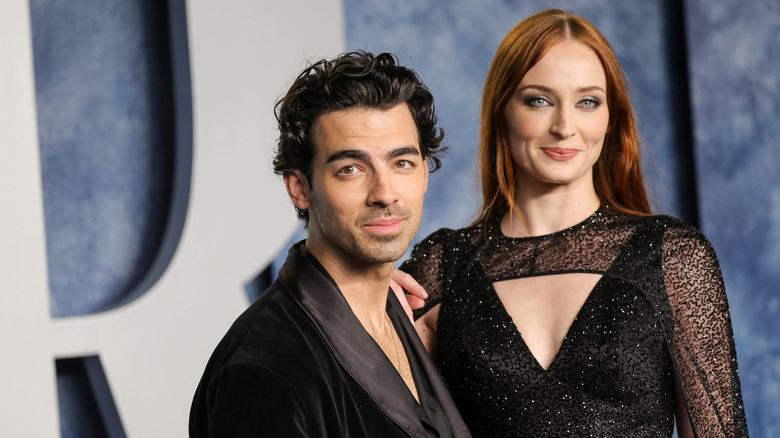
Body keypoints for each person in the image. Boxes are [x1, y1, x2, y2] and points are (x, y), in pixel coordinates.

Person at [396, 9, 748, 438]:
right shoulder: (444, 266)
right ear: (503, 110)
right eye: (539, 100)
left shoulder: (672, 256)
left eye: (587, 101)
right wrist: (372, 303)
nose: (565, 126)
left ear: (610, 117)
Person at [189, 51, 470, 437]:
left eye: (401, 162)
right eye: (350, 169)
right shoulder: (264, 369)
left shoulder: (394, 313)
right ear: (300, 187)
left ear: (425, 172)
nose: (385, 193)